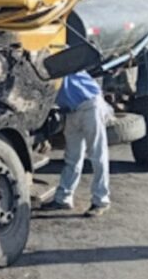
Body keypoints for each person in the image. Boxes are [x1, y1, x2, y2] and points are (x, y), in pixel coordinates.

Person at [40, 70, 113, 217]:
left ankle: (101, 201)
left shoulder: (61, 58)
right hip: (71, 110)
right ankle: (63, 199)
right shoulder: (46, 62)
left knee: (97, 155)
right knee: (72, 157)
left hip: (90, 105)